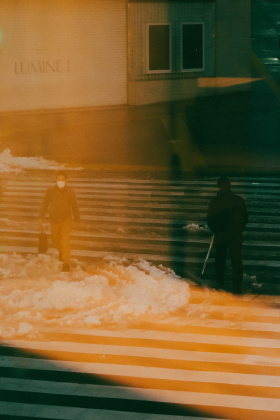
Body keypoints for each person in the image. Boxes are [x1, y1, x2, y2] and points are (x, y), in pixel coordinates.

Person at [207, 177, 248, 294]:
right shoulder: (238, 200)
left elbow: (210, 219)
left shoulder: (215, 201)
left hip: (221, 234)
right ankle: (237, 285)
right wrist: (239, 229)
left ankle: (219, 281)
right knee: (236, 260)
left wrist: (216, 230)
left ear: (218, 187)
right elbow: (245, 218)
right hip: (235, 234)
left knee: (220, 258)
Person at [39, 172, 80, 272]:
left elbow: (74, 205)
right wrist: (41, 216)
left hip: (66, 219)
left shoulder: (70, 192)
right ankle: (62, 252)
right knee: (55, 239)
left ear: (66, 180)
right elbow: (45, 203)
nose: (60, 181)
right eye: (58, 179)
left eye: (62, 179)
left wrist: (77, 219)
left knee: (65, 241)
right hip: (54, 219)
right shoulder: (51, 191)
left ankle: (66, 262)